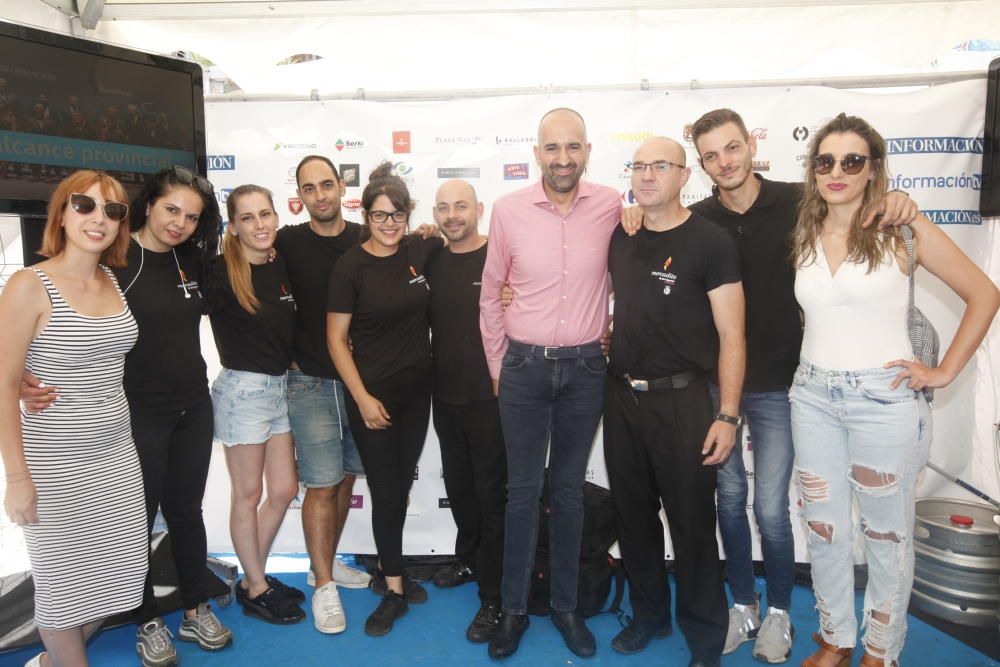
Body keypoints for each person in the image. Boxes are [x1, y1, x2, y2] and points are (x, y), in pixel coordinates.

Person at [675, 108, 921, 664]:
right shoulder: (697, 218)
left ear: (749, 145)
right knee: (730, 501)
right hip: (719, 388)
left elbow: (861, 202)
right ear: (702, 163)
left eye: (732, 148)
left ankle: (782, 613)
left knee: (772, 509)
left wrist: (900, 199)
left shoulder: (800, 203)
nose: (724, 162)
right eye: (711, 155)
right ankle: (743, 604)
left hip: (789, 387)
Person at [789, 113, 999, 667]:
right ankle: (835, 638)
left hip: (884, 402)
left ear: (872, 169)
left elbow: (984, 293)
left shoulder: (903, 229)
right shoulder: (804, 230)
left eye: (852, 160)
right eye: (825, 160)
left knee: (886, 538)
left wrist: (944, 371)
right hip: (811, 396)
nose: (837, 171)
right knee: (824, 529)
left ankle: (880, 650)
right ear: (813, 170)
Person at [21, 166, 232, 666]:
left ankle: (193, 605)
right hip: (135, 415)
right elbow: (59, 320)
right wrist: (26, 378)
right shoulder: (113, 259)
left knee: (187, 512)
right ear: (148, 206)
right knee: (135, 526)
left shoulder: (193, 260)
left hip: (192, 407)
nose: (178, 223)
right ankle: (146, 618)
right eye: (171, 209)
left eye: (191, 217)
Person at [479, 108, 625, 660]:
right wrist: (498, 367)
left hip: (587, 368)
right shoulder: (508, 211)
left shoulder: (613, 205)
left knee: (567, 493)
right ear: (536, 153)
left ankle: (566, 606)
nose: (563, 159)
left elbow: (631, 271)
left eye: (573, 148)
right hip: (523, 368)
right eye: (552, 148)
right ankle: (514, 609)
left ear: (587, 151)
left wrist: (612, 329)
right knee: (521, 493)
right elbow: (491, 295)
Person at [604, 137, 744, 667]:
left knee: (691, 529)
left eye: (659, 166)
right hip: (619, 398)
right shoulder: (620, 232)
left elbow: (733, 334)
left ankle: (706, 640)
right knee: (633, 521)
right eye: (638, 166)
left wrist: (728, 415)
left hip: (684, 402)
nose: (646, 176)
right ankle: (649, 618)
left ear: (685, 175)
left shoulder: (711, 241)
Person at [1, 170, 148, 667]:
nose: (98, 218)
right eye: (85, 205)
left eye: (113, 210)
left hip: (116, 458)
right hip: (55, 465)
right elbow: (3, 384)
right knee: (63, 588)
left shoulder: (112, 280)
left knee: (119, 579)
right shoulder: (29, 284)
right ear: (62, 213)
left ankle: (47, 663)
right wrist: (18, 478)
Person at [327, 162, 444, 637]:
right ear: (365, 217)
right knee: (387, 489)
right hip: (372, 397)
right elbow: (336, 340)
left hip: (420, 393)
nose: (389, 223)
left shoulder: (421, 248)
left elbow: (454, 248)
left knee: (401, 484)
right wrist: (362, 398)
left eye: (397, 214)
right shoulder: (350, 266)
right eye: (380, 215)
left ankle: (389, 571)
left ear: (408, 215)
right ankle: (393, 587)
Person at [274, 156, 370, 635]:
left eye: (327, 185)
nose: (320, 195)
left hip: (360, 382)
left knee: (348, 476)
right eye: (309, 189)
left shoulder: (365, 237)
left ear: (341, 187)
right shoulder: (286, 241)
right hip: (310, 381)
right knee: (322, 484)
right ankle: (324, 589)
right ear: (300, 196)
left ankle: (323, 566)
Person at [207, 184, 304, 625]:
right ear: (233, 226)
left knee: (282, 491)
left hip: (279, 389)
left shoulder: (279, 263)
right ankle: (257, 587)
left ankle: (252, 576)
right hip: (243, 393)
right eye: (247, 218)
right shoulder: (219, 272)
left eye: (265, 215)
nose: (259, 225)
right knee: (248, 495)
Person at [426, 179, 507, 642]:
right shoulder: (430, 257)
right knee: (460, 490)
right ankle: (470, 557)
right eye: (443, 208)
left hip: (493, 398)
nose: (452, 214)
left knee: (492, 497)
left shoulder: (500, 256)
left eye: (460, 206)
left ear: (479, 208)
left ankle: (494, 599)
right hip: (445, 396)